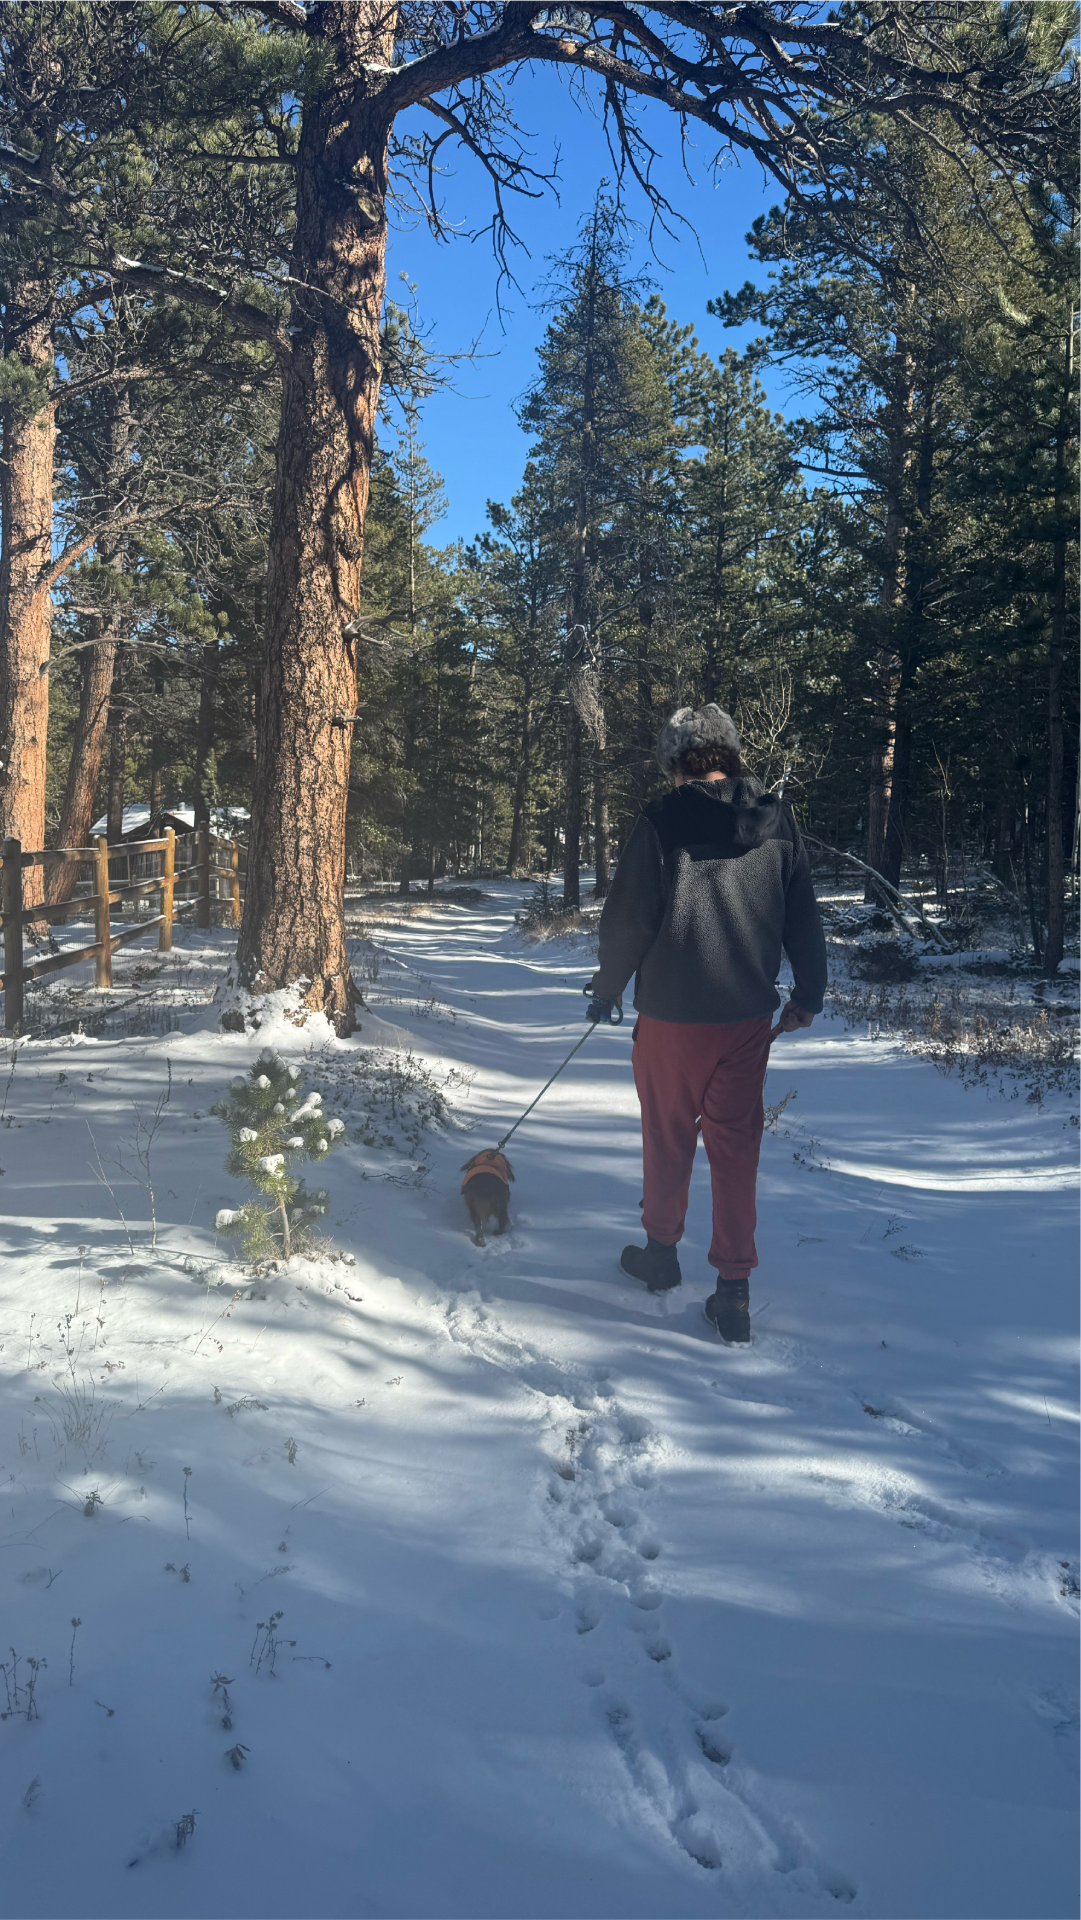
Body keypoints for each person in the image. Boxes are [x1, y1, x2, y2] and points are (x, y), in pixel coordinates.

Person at [586, 704, 826, 1343]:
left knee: (667, 1135)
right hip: (746, 1017)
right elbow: (804, 915)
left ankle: (661, 1256)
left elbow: (629, 918)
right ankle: (734, 1291)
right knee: (735, 1147)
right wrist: (809, 993)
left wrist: (607, 988)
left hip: (671, 1016)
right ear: (731, 753)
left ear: (676, 759)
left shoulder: (663, 820)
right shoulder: (778, 820)